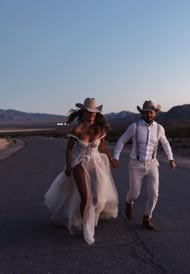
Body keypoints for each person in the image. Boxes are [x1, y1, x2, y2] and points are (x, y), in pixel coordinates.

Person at [44, 98, 118, 245]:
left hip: (96, 163)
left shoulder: (100, 129)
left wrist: (111, 159)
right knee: (87, 198)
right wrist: (68, 165)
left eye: (94, 113)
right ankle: (87, 229)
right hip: (79, 163)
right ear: (84, 112)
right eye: (89, 112)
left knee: (98, 199)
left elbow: (103, 147)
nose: (92, 115)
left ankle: (91, 218)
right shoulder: (77, 129)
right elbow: (69, 148)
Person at [112, 100, 176, 230]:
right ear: (142, 113)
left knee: (154, 193)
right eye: (146, 112)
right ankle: (129, 202)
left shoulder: (159, 128)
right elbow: (121, 140)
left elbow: (165, 143)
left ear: (155, 113)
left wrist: (171, 159)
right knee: (135, 193)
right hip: (136, 164)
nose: (149, 115)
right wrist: (116, 157)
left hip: (152, 164)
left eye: (151, 112)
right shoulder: (134, 126)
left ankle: (147, 217)